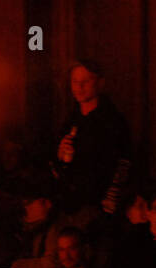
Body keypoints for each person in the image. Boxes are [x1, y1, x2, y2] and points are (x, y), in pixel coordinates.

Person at [52, 60, 132, 219]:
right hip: (70, 204)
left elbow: (122, 163)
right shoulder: (71, 120)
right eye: (75, 82)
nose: (79, 87)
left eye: (85, 81)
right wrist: (60, 156)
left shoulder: (112, 121)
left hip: (98, 206)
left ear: (100, 83)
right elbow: (59, 163)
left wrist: (109, 203)